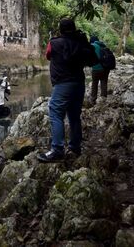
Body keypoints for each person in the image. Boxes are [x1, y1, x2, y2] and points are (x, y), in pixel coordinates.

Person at [38, 18, 98, 163]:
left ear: (61, 29)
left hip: (63, 83)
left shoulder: (54, 43)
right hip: (79, 83)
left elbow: (48, 55)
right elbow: (93, 59)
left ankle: (57, 149)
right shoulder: (81, 42)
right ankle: (75, 147)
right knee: (74, 115)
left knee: (55, 112)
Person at [89, 36, 109, 104]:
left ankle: (93, 100)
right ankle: (103, 99)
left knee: (94, 84)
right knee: (104, 83)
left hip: (96, 68)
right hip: (105, 68)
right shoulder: (103, 45)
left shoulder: (92, 45)